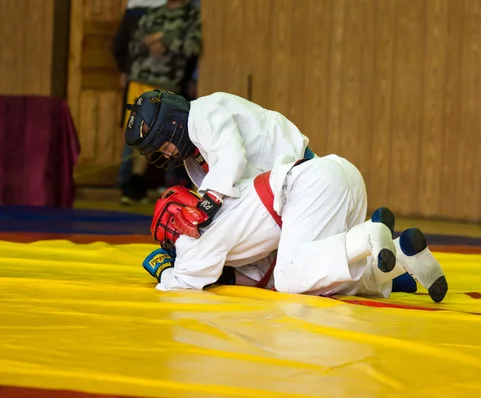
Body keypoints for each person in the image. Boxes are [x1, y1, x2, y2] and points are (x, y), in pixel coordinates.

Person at [140, 153, 448, 302]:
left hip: (309, 189)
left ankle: (368, 235)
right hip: (333, 172)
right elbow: (254, 271)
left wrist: (165, 270)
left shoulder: (194, 241)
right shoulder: (221, 194)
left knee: (290, 278)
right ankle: (400, 254)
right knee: (324, 281)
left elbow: (181, 284)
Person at [124, 88, 315, 230]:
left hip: (303, 174)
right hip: (279, 189)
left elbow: (232, 158)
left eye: (165, 147)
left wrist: (205, 207)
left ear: (174, 125)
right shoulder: (193, 150)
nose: (166, 155)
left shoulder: (206, 112)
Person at [119, 0, 201, 205]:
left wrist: (163, 42)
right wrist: (149, 43)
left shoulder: (192, 16)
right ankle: (128, 184)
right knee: (133, 129)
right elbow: (133, 44)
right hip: (140, 79)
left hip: (166, 83)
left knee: (160, 133)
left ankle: (154, 186)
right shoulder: (153, 14)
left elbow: (193, 46)